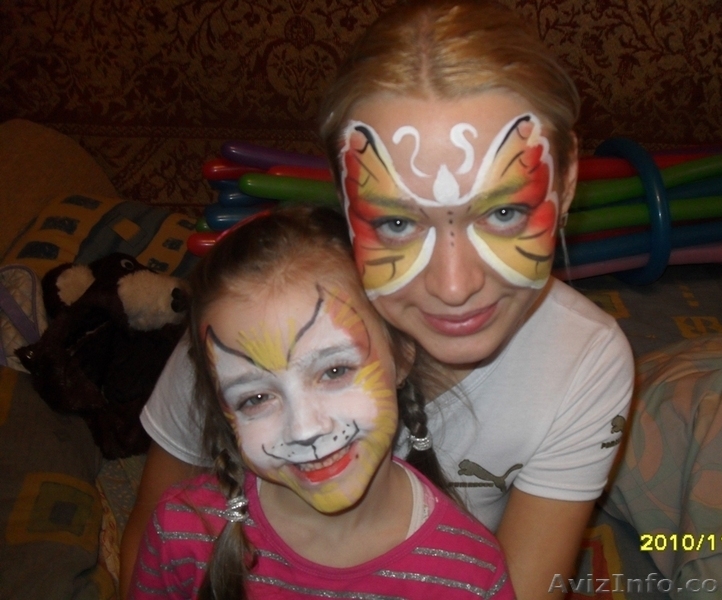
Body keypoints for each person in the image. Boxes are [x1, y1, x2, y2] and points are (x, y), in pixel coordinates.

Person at [120, 1, 634, 598]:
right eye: (396, 223)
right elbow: (151, 551)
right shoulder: (253, 318)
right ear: (344, 197)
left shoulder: (586, 364)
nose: (453, 287)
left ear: (565, 183)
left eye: (503, 212)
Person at [129, 206, 514, 599]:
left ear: (401, 352)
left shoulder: (471, 574)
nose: (305, 429)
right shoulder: (183, 533)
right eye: (256, 398)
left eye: (334, 371)